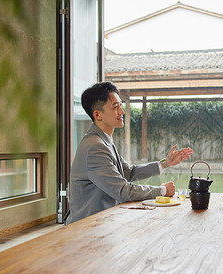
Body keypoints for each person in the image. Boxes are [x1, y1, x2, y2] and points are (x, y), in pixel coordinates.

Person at [65, 82, 193, 225]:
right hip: (86, 228)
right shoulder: (95, 147)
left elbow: (128, 173)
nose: (122, 111)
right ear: (97, 115)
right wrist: (162, 191)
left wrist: (165, 163)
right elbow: (123, 191)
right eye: (115, 107)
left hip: (103, 223)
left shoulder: (104, 141)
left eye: (120, 105)